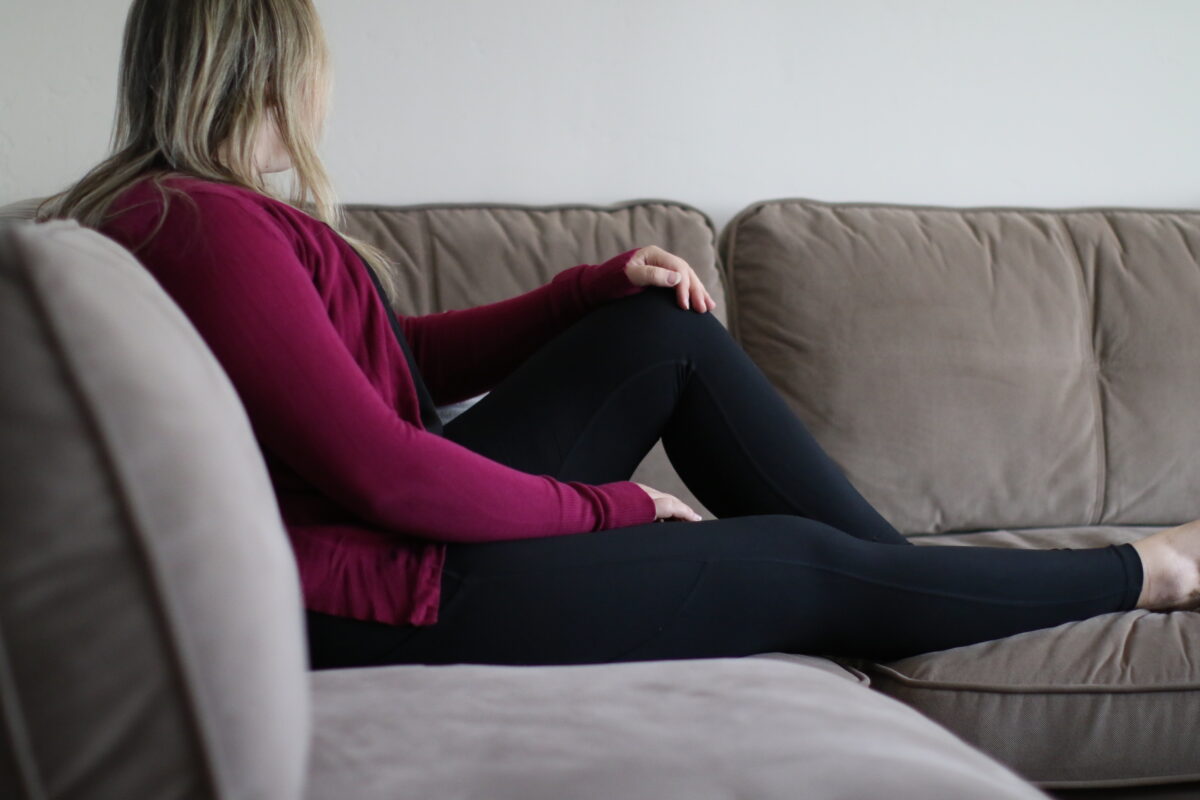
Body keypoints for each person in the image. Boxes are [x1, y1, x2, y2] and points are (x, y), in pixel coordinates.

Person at [42, 0, 1198, 670]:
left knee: (659, 332)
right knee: (791, 561)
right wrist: (616, 504)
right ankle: (1146, 570)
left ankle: (900, 587)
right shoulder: (197, 224)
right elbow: (385, 467)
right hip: (367, 586)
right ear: (274, 65)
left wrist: (585, 290)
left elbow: (399, 365)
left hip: (369, 548)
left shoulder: (196, 214)